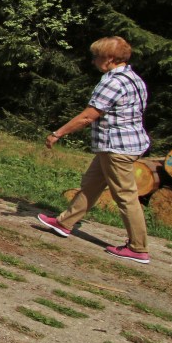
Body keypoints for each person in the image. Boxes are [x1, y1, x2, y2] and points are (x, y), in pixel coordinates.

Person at [37, 36, 151, 264]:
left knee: (126, 197)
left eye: (96, 56)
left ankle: (138, 248)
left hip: (117, 147)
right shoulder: (133, 78)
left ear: (109, 59)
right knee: (91, 184)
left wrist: (58, 133)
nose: (93, 61)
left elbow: (89, 116)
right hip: (120, 145)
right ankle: (64, 223)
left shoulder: (112, 82)